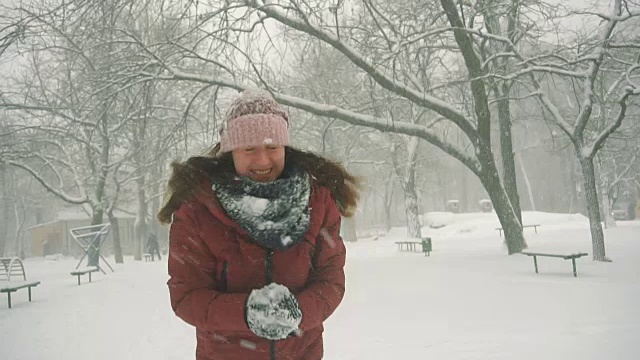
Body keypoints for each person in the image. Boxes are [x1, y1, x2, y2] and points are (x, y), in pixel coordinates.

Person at [157, 89, 361, 360]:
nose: (262, 160)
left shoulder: (319, 201)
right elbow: (186, 295)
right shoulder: (197, 210)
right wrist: (246, 312)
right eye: (249, 149)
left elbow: (330, 279)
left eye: (272, 148)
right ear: (231, 151)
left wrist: (299, 312)